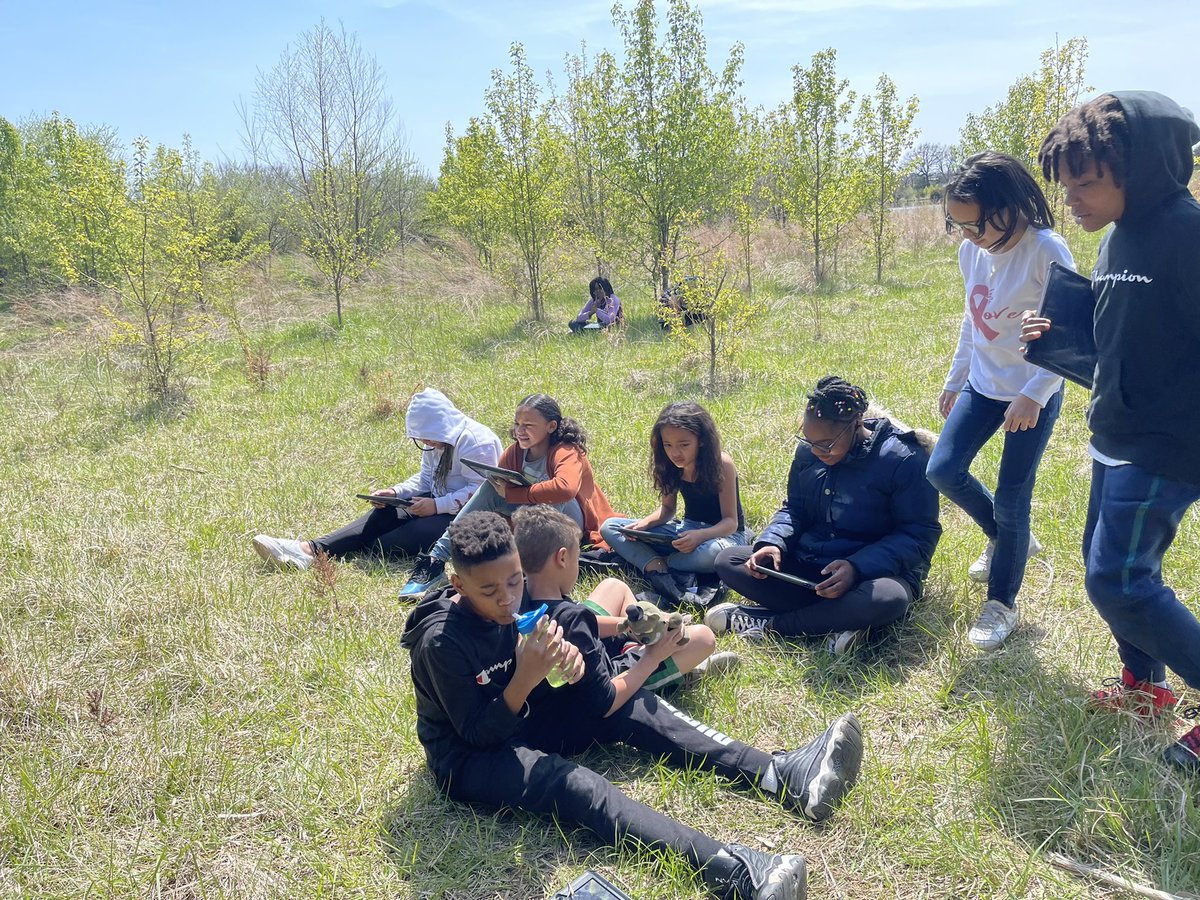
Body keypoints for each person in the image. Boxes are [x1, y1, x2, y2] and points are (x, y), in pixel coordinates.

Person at [400, 509, 865, 900]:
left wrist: (567, 662)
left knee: (625, 704)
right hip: (469, 756)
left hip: (523, 716)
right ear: (456, 583)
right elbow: (478, 734)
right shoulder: (441, 643)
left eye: (516, 581)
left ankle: (780, 773)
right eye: (489, 592)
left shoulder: (509, 600)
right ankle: (736, 871)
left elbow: (546, 638)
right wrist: (526, 677)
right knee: (576, 787)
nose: (507, 600)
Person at [1025, 91, 1200, 773]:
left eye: (1087, 181)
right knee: (1111, 570)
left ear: (1146, 167)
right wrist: (1063, 338)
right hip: (1115, 433)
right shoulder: (1121, 234)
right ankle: (1145, 686)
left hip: (1169, 444)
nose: (1072, 197)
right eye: (1066, 183)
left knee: (1120, 580)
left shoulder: (1187, 233)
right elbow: (1124, 341)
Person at [925, 152, 1075, 651]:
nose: (969, 237)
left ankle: (1002, 603)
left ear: (1008, 206)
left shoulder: (1046, 250)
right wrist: (956, 377)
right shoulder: (972, 254)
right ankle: (1012, 541)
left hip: (1034, 390)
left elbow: (1067, 333)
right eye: (959, 226)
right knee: (942, 469)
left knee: (1014, 498)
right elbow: (974, 319)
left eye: (976, 225)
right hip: (982, 385)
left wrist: (1034, 394)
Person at [710, 377, 942, 655]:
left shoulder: (904, 458)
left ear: (857, 423)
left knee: (887, 598)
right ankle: (838, 622)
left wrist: (856, 568)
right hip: (815, 569)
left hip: (874, 576)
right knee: (729, 560)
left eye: (827, 444)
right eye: (810, 442)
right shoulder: (809, 452)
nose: (818, 451)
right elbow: (794, 509)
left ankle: (769, 625)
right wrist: (772, 543)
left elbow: (918, 534)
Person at [251, 387, 501, 570]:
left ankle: (338, 548)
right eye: (421, 437)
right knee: (382, 515)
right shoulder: (436, 444)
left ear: (444, 426)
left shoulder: (476, 441)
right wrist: (395, 493)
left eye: (429, 436)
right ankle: (307, 550)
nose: (426, 442)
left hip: (467, 517)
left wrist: (437, 506)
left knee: (383, 545)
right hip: (436, 502)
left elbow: (482, 492)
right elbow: (426, 480)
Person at [399, 393, 619, 598]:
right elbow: (501, 490)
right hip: (530, 521)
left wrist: (515, 494)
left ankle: (535, 568)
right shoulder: (516, 452)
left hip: (573, 523)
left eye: (528, 425)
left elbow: (565, 488)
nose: (520, 431)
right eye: (517, 424)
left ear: (551, 426)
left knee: (556, 496)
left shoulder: (567, 450)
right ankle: (436, 559)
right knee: (488, 488)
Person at [519, 505, 739, 693]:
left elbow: (583, 623)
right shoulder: (569, 617)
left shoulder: (525, 594)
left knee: (614, 586)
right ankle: (675, 672)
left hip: (588, 641)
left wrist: (626, 626)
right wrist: (648, 648)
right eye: (578, 558)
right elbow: (577, 624)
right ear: (563, 557)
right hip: (608, 672)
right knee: (703, 638)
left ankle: (640, 642)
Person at [601, 402, 751, 608]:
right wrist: (643, 526)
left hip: (722, 536)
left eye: (684, 444)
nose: (675, 453)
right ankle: (661, 563)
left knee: (714, 555)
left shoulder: (722, 463)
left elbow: (731, 523)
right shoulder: (670, 465)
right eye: (667, 445)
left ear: (701, 441)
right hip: (685, 531)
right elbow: (668, 510)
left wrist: (701, 536)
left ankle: (659, 562)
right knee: (610, 527)